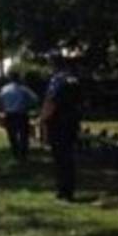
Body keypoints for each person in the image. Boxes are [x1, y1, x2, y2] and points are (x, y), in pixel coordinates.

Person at [41, 58, 83, 201]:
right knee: (69, 157)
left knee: (59, 157)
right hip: (72, 121)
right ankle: (69, 189)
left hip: (58, 123)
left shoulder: (57, 81)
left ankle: (63, 190)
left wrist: (43, 118)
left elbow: (51, 101)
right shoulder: (75, 80)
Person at [0, 71, 37, 160]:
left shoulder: (4, 89)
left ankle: (15, 153)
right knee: (23, 135)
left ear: (10, 78)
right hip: (21, 114)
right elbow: (35, 99)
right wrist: (29, 105)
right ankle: (23, 154)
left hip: (9, 114)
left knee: (12, 135)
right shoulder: (23, 89)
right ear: (19, 78)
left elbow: (1, 101)